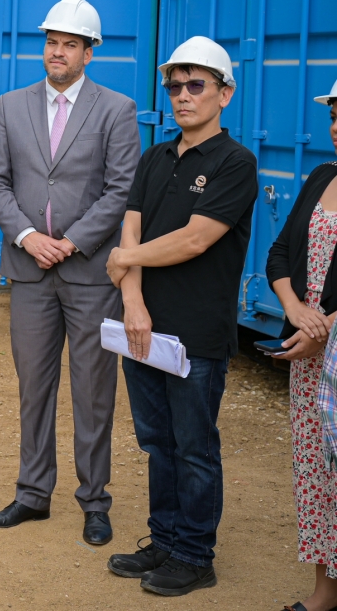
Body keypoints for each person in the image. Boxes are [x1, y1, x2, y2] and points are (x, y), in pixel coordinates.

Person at [0, 0, 141, 545]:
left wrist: (70, 242)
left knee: (94, 389)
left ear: (89, 53)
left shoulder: (116, 110)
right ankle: (33, 494)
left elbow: (121, 190)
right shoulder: (9, 105)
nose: (58, 51)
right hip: (29, 272)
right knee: (34, 386)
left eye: (70, 44)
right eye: (52, 41)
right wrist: (27, 237)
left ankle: (94, 501)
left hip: (90, 274)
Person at [104, 36, 257, 597]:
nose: (183, 95)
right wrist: (134, 299)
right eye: (175, 85)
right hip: (143, 326)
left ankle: (196, 554)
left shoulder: (236, 162)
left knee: (194, 446)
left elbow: (196, 240)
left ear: (224, 93)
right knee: (156, 442)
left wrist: (123, 262)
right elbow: (132, 224)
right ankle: (165, 540)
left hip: (195, 332)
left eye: (196, 85)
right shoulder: (156, 156)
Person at [267, 77, 337, 611]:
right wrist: (296, 313)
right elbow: (281, 252)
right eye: (334, 117)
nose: (335, 128)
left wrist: (325, 327)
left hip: (329, 345)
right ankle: (324, 592)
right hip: (311, 352)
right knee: (316, 470)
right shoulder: (321, 176)